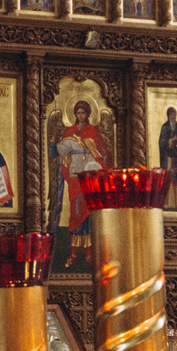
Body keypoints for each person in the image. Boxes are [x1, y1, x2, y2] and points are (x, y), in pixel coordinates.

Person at [49, 99, 111, 254]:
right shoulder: (70, 132)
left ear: (88, 114)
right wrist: (52, 141)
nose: (81, 115)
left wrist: (99, 168)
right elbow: (56, 153)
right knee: (76, 212)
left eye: (83, 112)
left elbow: (102, 154)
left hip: (90, 176)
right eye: (78, 113)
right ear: (75, 114)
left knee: (90, 211)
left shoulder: (94, 131)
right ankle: (73, 252)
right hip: (75, 177)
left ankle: (90, 251)